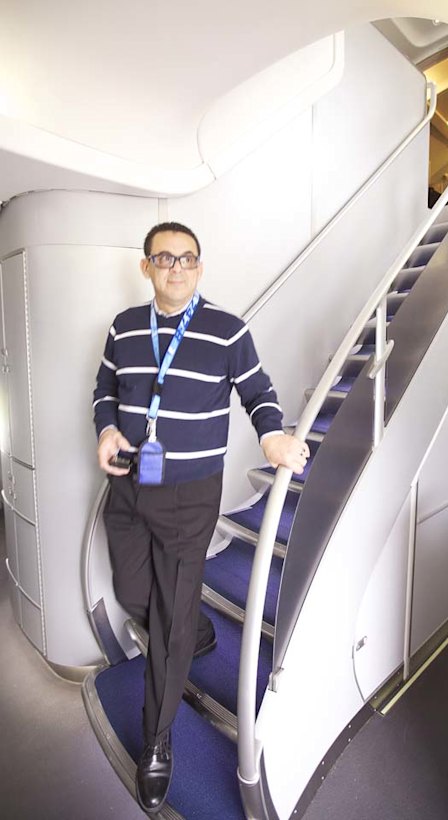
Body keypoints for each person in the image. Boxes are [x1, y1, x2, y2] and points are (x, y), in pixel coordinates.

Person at [93, 221, 308, 814]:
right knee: (131, 590)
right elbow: (104, 388)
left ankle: (157, 740)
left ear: (200, 267)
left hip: (190, 496)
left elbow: (258, 391)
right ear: (146, 267)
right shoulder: (124, 327)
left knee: (167, 623)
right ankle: (196, 630)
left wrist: (271, 436)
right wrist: (106, 428)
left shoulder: (226, 329)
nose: (177, 268)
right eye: (165, 258)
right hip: (129, 483)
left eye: (187, 258)